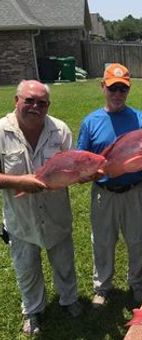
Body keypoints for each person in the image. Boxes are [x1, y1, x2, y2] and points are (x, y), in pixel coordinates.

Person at [77, 63, 142, 308]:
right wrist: (86, 173)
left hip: (134, 192)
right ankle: (102, 287)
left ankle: (139, 284)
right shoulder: (91, 122)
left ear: (128, 90)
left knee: (138, 240)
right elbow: (82, 160)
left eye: (123, 89)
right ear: (103, 87)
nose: (118, 94)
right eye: (113, 88)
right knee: (102, 241)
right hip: (103, 192)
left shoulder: (141, 119)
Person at [0, 80, 82, 336]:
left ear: (48, 106)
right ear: (16, 101)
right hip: (21, 220)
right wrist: (18, 181)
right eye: (29, 100)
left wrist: (84, 173)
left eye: (42, 103)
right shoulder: (1, 132)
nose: (35, 106)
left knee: (64, 263)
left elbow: (74, 165)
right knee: (26, 268)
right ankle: (32, 310)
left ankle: (69, 300)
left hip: (56, 215)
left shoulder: (60, 130)